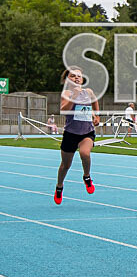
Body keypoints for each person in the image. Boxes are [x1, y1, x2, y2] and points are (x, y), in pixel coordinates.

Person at [54, 66, 100, 205]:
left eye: (79, 76)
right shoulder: (66, 94)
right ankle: (59, 187)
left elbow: (95, 102)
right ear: (68, 79)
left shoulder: (88, 92)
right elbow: (64, 110)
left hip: (87, 132)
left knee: (85, 153)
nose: (76, 78)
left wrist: (97, 115)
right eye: (73, 76)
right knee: (65, 165)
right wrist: (74, 96)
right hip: (71, 133)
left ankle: (87, 177)